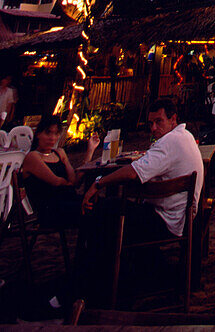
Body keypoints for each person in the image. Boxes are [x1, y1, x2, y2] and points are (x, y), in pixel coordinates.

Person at [82, 96, 203, 241]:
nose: (153, 128)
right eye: (151, 123)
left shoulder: (170, 141)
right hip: (183, 218)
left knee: (105, 208)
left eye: (159, 122)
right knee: (111, 207)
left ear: (173, 119)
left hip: (167, 221)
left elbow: (133, 173)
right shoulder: (185, 136)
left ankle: (101, 261)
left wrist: (98, 183)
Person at [21, 115, 100, 226]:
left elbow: (76, 181)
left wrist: (90, 151)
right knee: (98, 211)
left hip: (70, 201)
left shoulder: (59, 153)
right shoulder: (33, 157)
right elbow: (56, 181)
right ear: (38, 134)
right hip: (51, 210)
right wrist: (69, 183)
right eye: (48, 133)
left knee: (108, 204)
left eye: (56, 133)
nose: (52, 138)